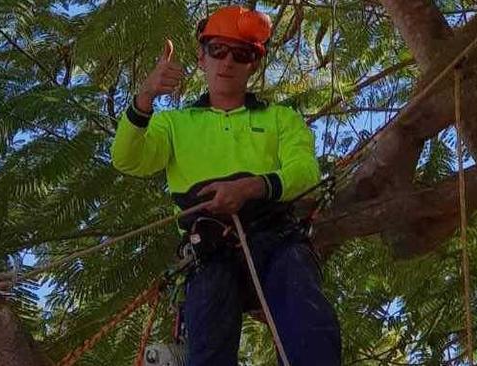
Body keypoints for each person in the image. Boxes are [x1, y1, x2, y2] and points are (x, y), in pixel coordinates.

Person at [111, 5, 341, 366]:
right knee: (208, 342)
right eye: (217, 50)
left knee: (309, 324)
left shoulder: (280, 118)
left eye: (241, 54)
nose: (227, 62)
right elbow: (127, 158)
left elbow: (305, 174)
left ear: (254, 64)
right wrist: (145, 98)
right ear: (201, 58)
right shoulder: (175, 123)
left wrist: (252, 188)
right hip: (210, 248)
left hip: (276, 236)